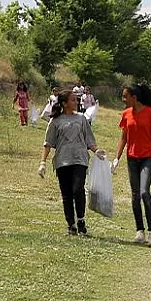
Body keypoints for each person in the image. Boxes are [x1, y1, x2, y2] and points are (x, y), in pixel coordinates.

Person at [111, 84, 151, 247]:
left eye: (125, 97)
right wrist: (116, 158)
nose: (123, 100)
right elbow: (123, 137)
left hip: (147, 158)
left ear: (134, 97)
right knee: (135, 194)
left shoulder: (150, 113)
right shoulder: (126, 114)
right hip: (132, 158)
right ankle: (140, 231)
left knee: (144, 192)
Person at [38, 90, 105, 236]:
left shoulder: (81, 119)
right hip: (62, 161)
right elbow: (48, 143)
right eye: (73, 100)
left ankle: (81, 220)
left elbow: (89, 140)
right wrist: (43, 162)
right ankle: (71, 224)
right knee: (67, 194)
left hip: (80, 159)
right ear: (64, 103)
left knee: (78, 189)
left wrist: (97, 151)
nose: (76, 102)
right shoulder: (55, 121)